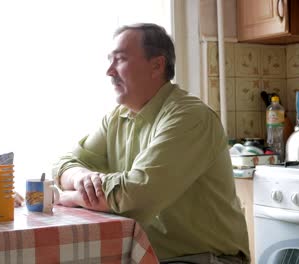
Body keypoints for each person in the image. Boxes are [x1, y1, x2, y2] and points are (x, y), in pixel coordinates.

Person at [52, 23, 250, 264]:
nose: (109, 71)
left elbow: (135, 195)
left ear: (157, 65)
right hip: (150, 256)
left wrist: (71, 197)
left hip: (206, 259)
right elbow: (63, 164)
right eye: (110, 60)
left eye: (120, 59)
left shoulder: (189, 117)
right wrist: (80, 177)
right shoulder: (118, 117)